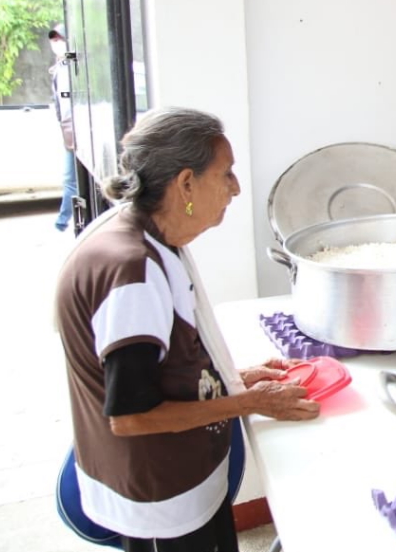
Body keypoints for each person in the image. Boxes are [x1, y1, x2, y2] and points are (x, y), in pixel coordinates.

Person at [55, 107, 320, 552]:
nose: (235, 188)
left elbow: (165, 358)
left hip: (180, 481)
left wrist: (235, 378)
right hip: (159, 496)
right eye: (227, 173)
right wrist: (249, 403)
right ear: (186, 184)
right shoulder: (132, 273)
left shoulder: (152, 236)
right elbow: (132, 415)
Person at [49, 27, 78, 232]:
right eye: (54, 40)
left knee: (70, 178)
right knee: (70, 179)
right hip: (69, 132)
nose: (56, 43)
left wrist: (65, 56)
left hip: (76, 132)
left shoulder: (71, 60)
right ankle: (63, 220)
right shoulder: (60, 65)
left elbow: (82, 56)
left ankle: (62, 221)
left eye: (60, 39)